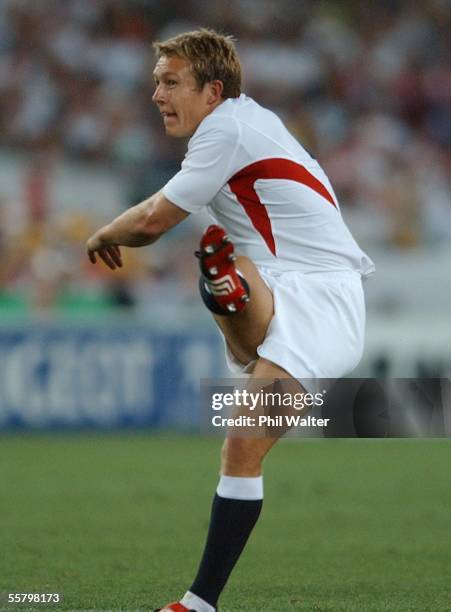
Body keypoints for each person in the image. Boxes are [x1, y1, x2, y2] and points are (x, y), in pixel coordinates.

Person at [86, 28, 375, 612]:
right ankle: (224, 285)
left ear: (212, 91)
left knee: (242, 443)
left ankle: (198, 604)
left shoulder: (225, 130)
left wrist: (102, 232)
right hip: (276, 284)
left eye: (171, 83)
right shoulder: (240, 120)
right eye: (155, 82)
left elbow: (149, 223)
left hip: (321, 303)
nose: (157, 95)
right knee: (236, 270)